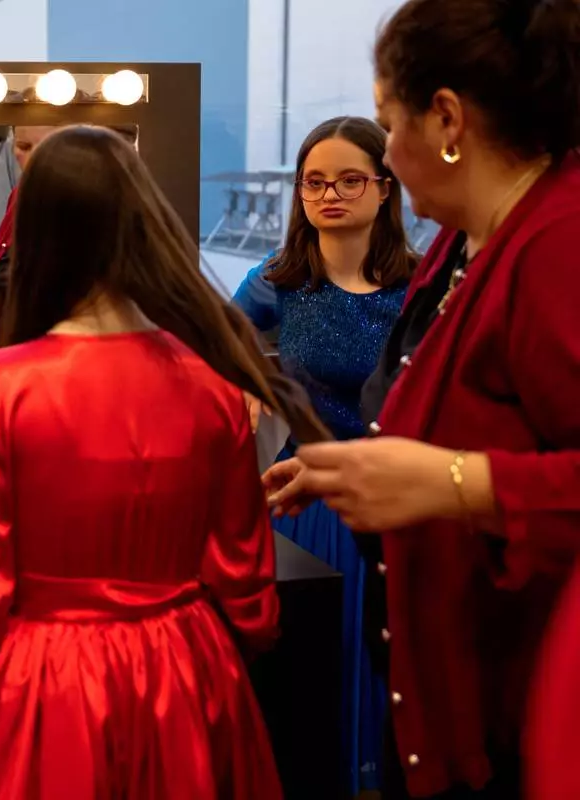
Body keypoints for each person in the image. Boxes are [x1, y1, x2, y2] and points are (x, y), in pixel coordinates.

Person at [0, 125, 331, 798]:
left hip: (47, 681)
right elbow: (244, 576)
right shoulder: (211, 387)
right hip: (184, 674)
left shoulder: (1, 388)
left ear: (37, 236)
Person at [264, 0, 580, 797]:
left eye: (386, 126)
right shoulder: (460, 244)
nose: (388, 160)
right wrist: (358, 467)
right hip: (448, 699)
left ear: (446, 119)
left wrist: (454, 483)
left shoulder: (557, 247)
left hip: (523, 712)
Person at [233, 116, 417, 795]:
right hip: (305, 496)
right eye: (314, 182)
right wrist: (241, 376)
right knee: (311, 663)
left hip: (394, 497)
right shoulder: (276, 280)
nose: (329, 195)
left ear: (384, 188)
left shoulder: (419, 286)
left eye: (348, 181)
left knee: (385, 659)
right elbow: (212, 339)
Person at [0, 125, 60, 345]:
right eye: (23, 146)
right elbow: (4, 262)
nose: (35, 157)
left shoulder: (79, 198)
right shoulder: (20, 194)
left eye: (47, 147)